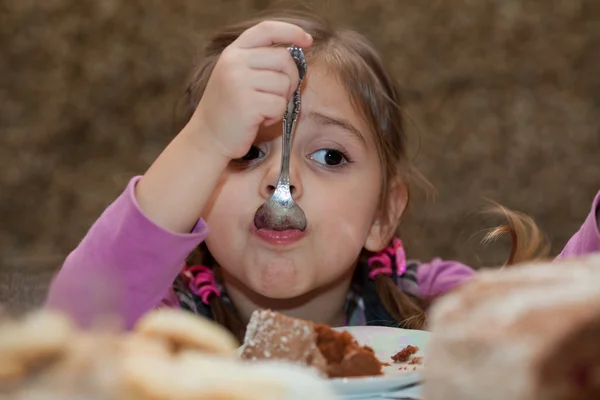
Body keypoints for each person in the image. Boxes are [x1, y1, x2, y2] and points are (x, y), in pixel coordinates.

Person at [45, 11, 600, 341]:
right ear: (193, 191)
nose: (279, 182)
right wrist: (204, 139)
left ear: (383, 215)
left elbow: (559, 329)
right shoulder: (165, 328)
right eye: (242, 154)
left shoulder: (436, 314)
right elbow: (71, 330)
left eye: (331, 156)